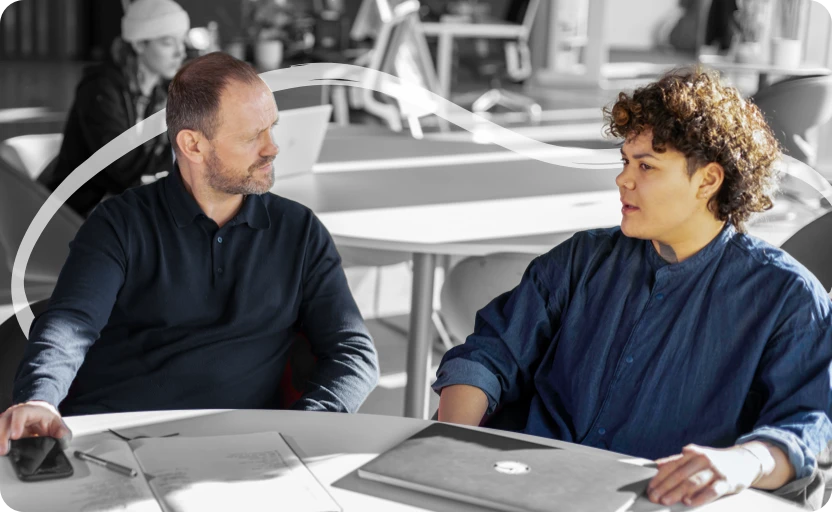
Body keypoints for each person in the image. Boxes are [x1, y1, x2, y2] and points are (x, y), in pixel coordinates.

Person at [432, 68, 832, 509]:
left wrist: (742, 462)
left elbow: (803, 426)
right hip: (526, 487)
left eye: (646, 166)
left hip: (660, 502)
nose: (623, 180)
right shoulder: (581, 258)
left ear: (708, 181)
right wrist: (450, 450)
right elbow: (487, 355)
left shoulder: (787, 298)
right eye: (625, 161)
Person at [0, 52, 379, 454]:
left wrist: (306, 428)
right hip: (117, 441)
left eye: (272, 128)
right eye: (252, 136)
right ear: (193, 145)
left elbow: (354, 351)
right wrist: (40, 397)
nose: (272, 148)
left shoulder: (299, 232)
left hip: (241, 452)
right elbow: (70, 323)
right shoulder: (120, 223)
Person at [38, 0, 190, 218]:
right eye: (168, 43)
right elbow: (121, 167)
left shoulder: (159, 95)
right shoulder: (100, 88)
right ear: (139, 45)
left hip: (121, 206)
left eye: (182, 42)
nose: (180, 53)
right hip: (76, 213)